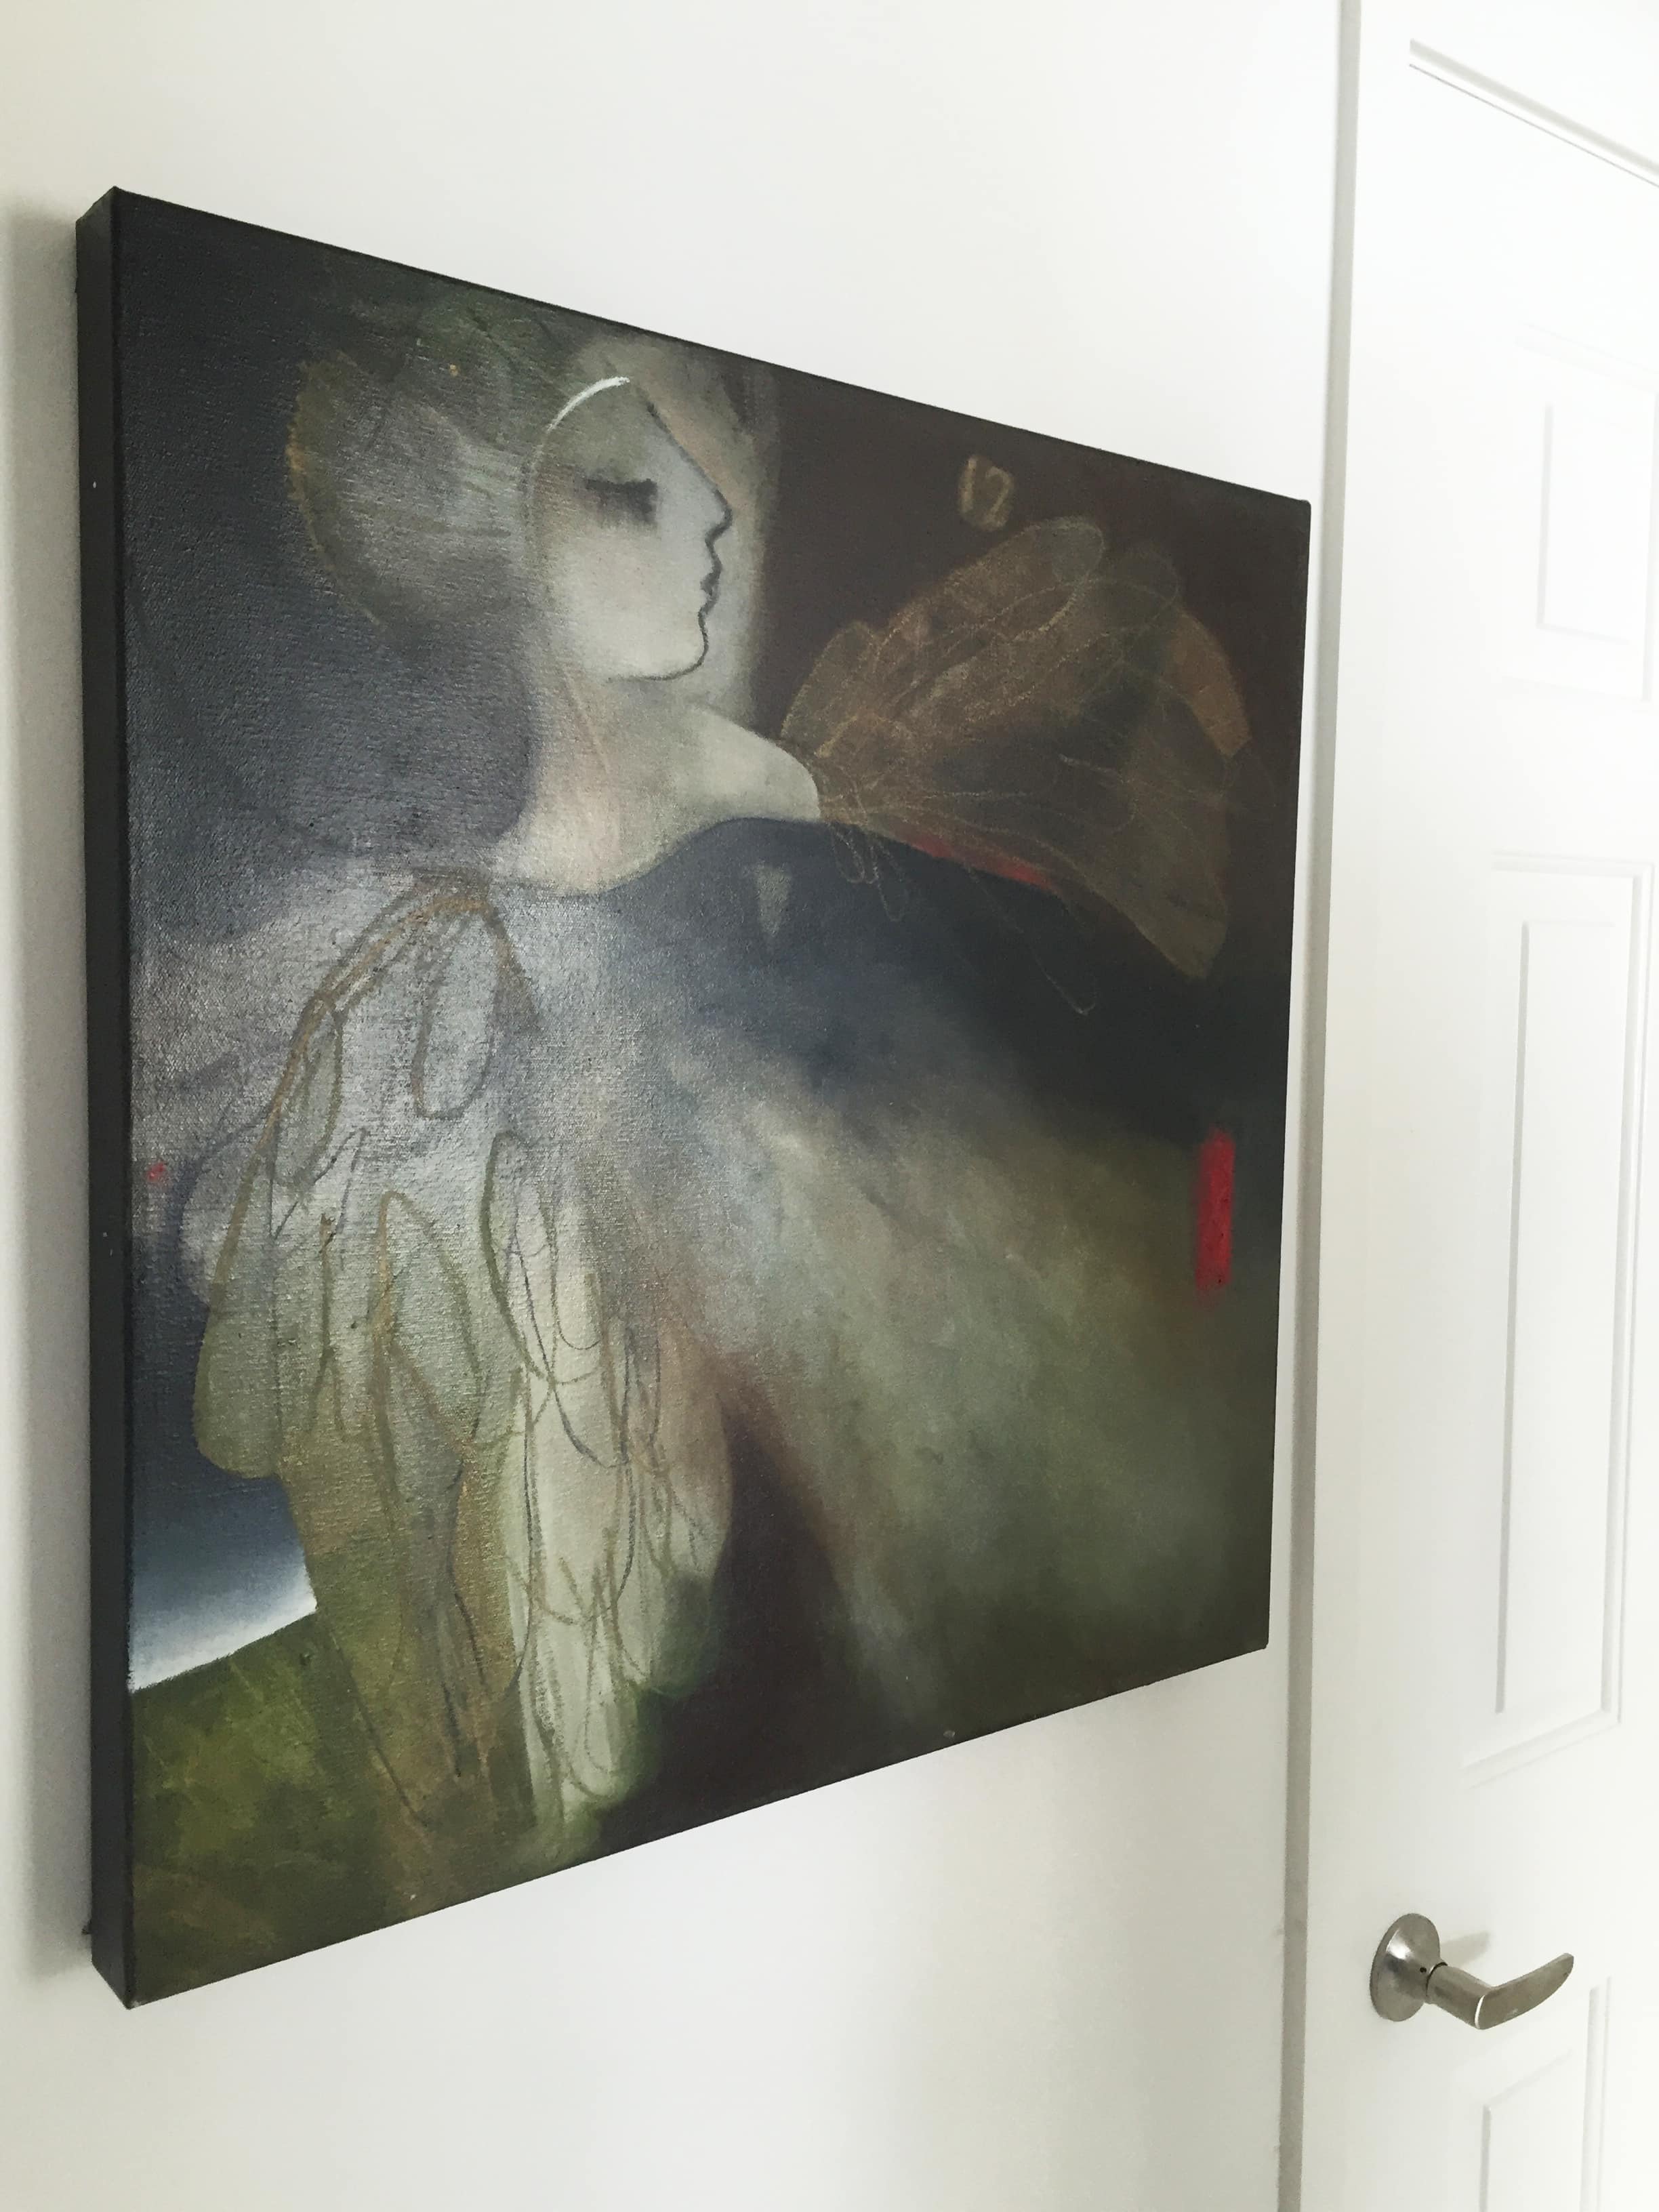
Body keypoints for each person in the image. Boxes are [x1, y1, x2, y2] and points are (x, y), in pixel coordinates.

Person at [133, 287, 1280, 1994]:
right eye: (622, 493)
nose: (716, 527)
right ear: (500, 550)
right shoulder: (463, 941)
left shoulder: (730, 831)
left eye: (698, 479)